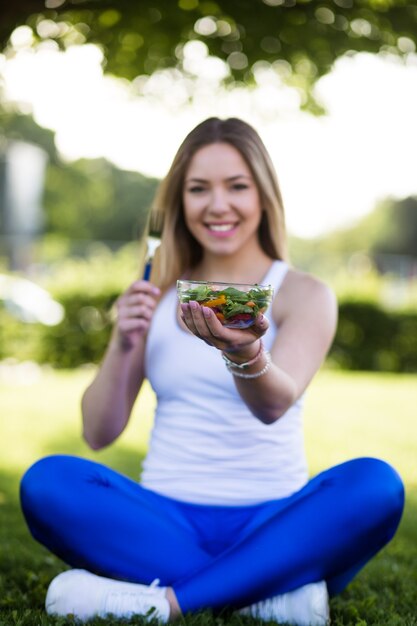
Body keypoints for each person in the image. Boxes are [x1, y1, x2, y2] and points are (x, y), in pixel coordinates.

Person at [20, 117, 404, 626]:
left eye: (237, 186)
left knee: (376, 485)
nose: (217, 204)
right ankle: (266, 592)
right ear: (179, 202)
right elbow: (97, 432)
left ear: (264, 196)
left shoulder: (305, 294)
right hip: (165, 520)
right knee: (47, 481)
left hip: (273, 522)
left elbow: (273, 405)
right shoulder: (155, 293)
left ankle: (167, 603)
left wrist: (244, 352)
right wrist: (123, 338)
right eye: (199, 188)